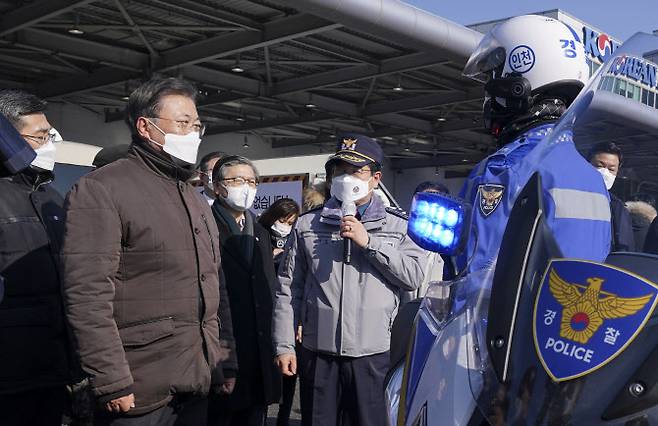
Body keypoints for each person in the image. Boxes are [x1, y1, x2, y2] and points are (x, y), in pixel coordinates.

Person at [60, 77, 236, 425]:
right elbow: (87, 294)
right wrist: (110, 378)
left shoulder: (193, 197)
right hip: (138, 388)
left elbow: (215, 286)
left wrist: (225, 359)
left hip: (196, 378)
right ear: (145, 126)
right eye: (183, 123)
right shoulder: (103, 189)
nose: (193, 134)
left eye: (197, 125)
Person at [272, 134, 427, 426]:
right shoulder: (308, 224)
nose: (346, 178)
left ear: (376, 178)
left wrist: (369, 242)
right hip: (319, 354)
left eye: (356, 171)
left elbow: (412, 275)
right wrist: (284, 344)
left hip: (373, 354)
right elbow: (288, 289)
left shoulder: (399, 226)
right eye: (339, 170)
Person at [458, 15, 612, 275]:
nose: (490, 95)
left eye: (493, 80)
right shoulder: (594, 180)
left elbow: (476, 277)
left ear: (517, 84)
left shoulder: (503, 170)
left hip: (511, 316)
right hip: (569, 313)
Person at [0, 90, 74, 426]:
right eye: (40, 136)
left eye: (50, 135)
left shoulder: (51, 196)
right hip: (10, 369)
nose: (50, 143)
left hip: (53, 364)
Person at [208, 155, 281, 426]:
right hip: (224, 347)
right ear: (217, 186)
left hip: (259, 348)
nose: (246, 187)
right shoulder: (205, 226)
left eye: (251, 181)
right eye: (237, 180)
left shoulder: (260, 232)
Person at [258, 198, 301, 426]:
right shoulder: (259, 234)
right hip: (264, 310)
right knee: (265, 372)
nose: (285, 225)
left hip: (285, 313)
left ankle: (283, 419)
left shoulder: (296, 239)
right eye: (282, 220)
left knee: (288, 375)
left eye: (291, 222)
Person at [587, 142, 636, 251]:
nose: (605, 172)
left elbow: (625, 250)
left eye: (611, 169)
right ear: (587, 164)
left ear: (617, 171)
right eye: (600, 166)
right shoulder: (570, 195)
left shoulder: (617, 208)